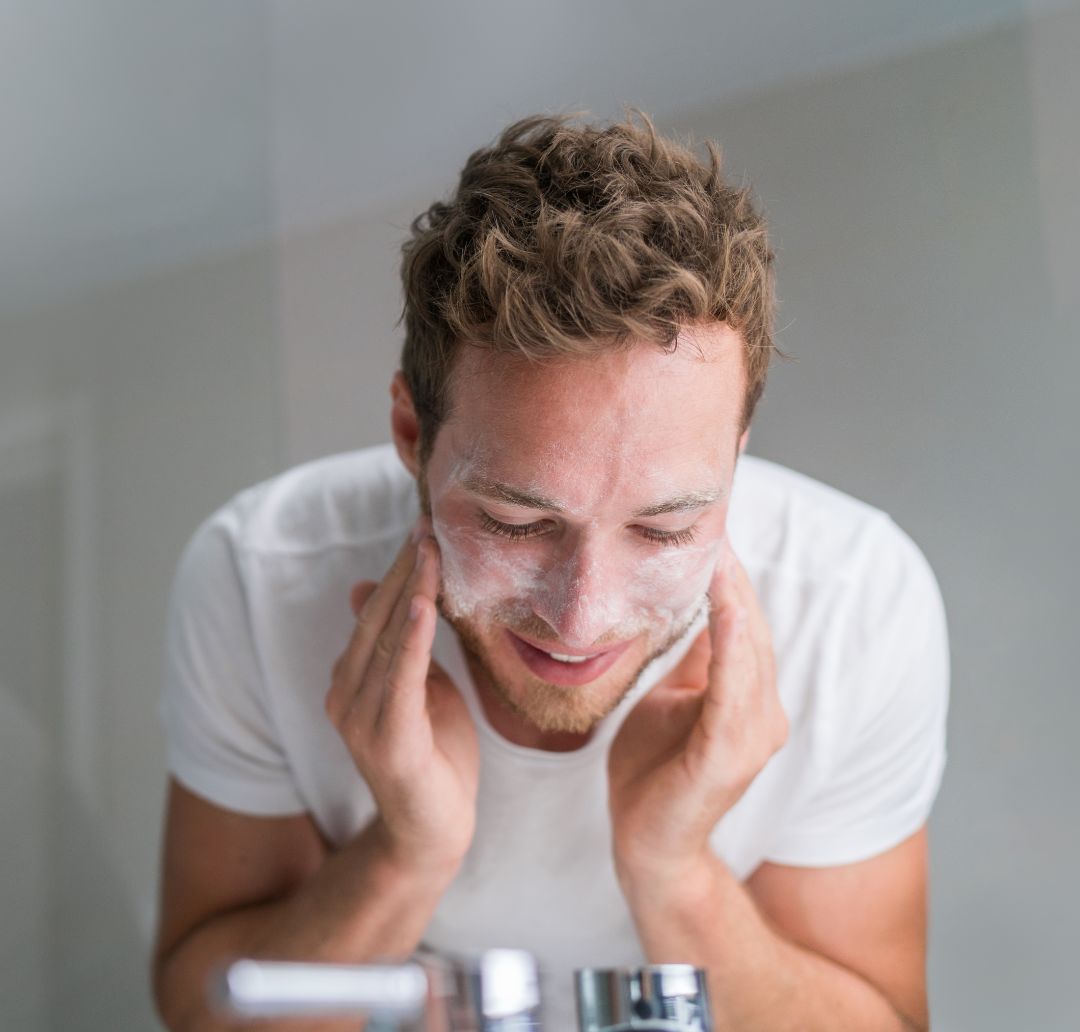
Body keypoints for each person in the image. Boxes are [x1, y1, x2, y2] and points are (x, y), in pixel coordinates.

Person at [151, 111, 949, 1032]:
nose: (582, 618)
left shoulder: (855, 603)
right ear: (412, 436)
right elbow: (203, 1015)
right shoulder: (262, 579)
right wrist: (405, 852)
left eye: (663, 529)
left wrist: (676, 874)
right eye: (515, 521)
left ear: (736, 455)